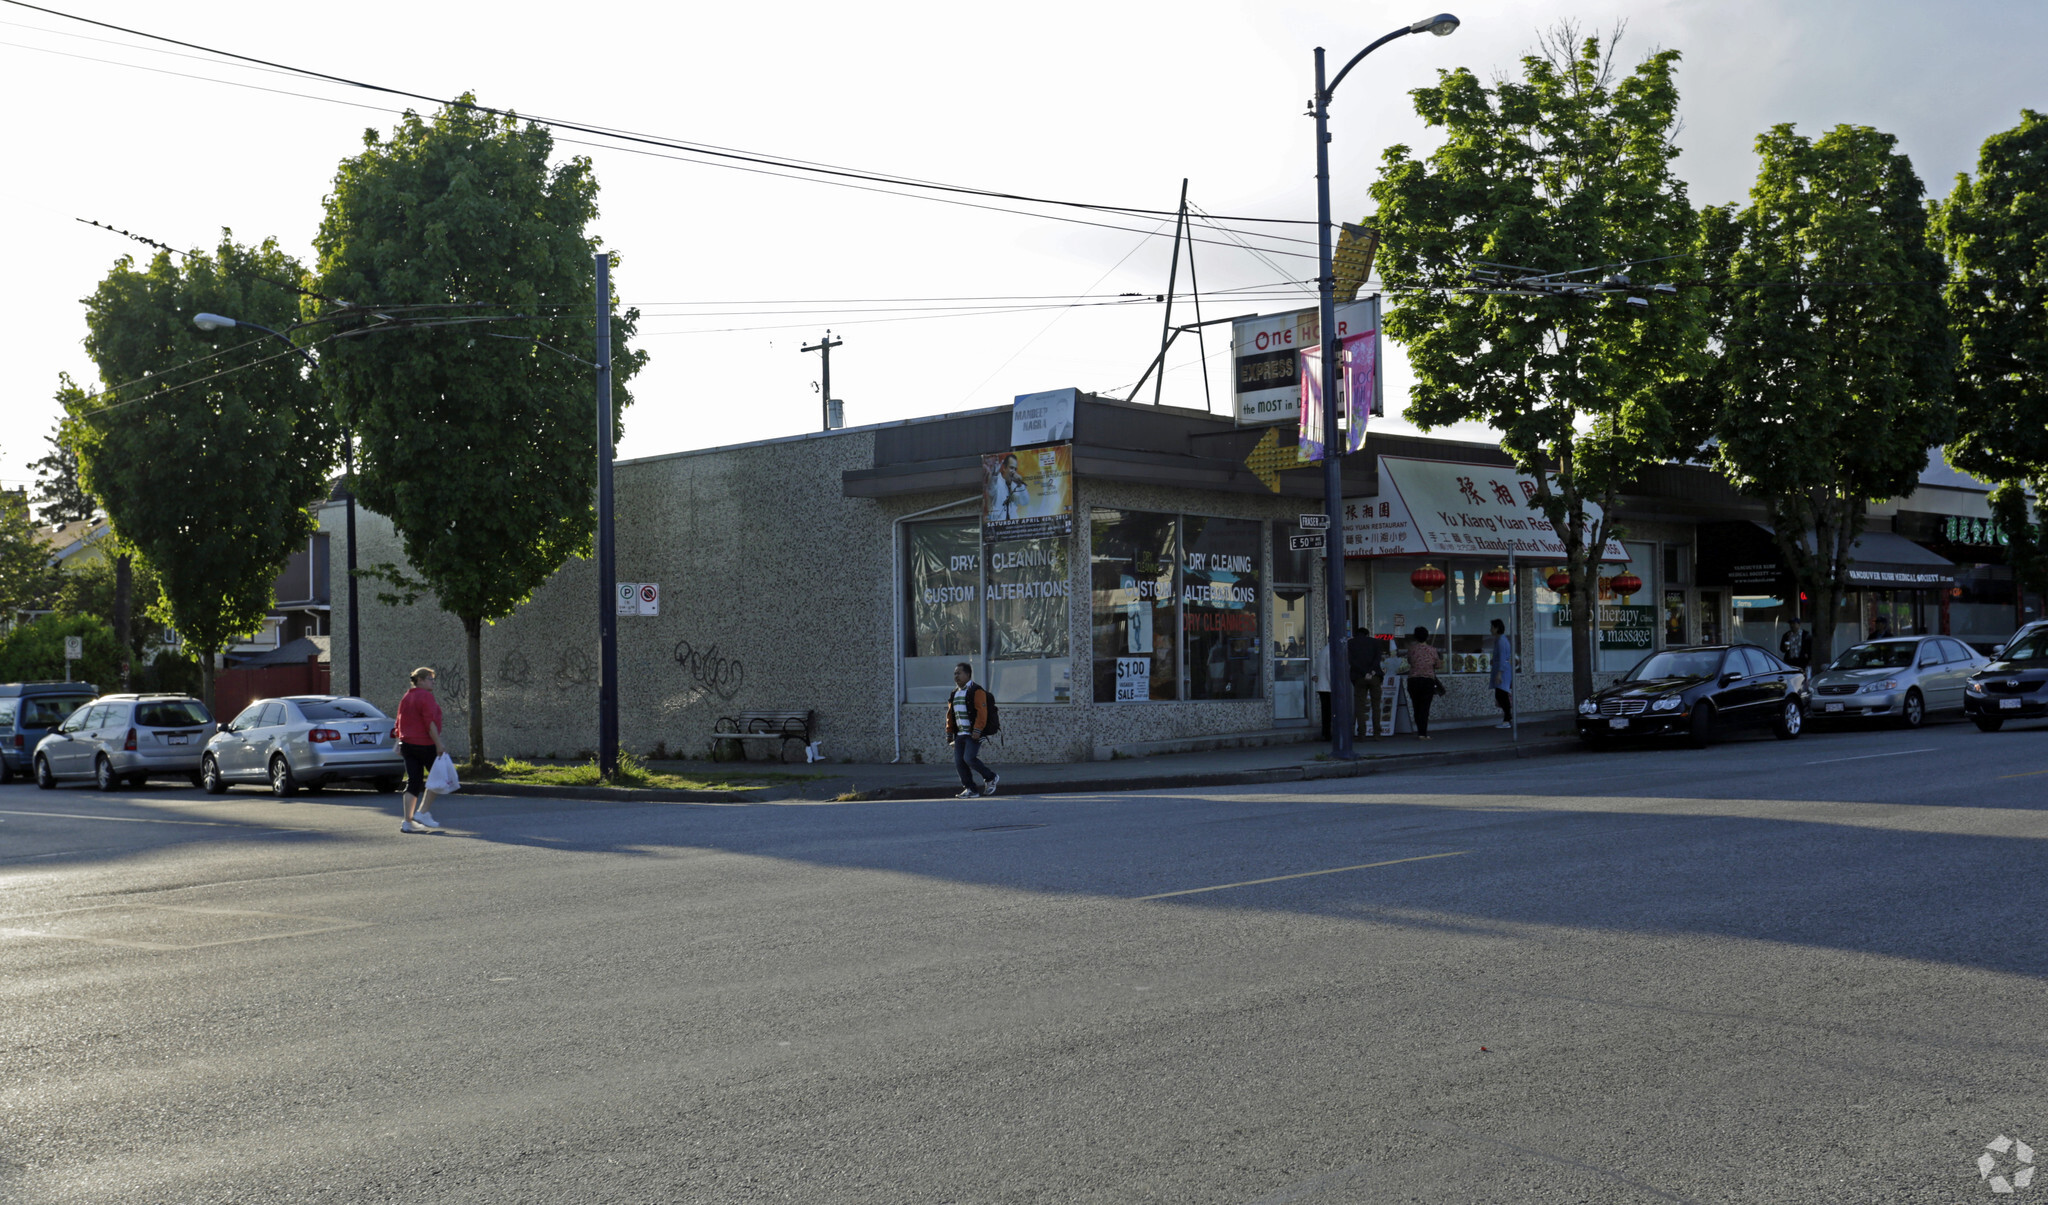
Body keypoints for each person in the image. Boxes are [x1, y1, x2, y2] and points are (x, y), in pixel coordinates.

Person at [393, 666, 445, 834]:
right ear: (420, 680)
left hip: (408, 744)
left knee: (414, 781)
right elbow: (429, 723)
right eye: (430, 679)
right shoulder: (426, 696)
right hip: (425, 744)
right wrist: (438, 744)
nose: (433, 682)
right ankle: (423, 813)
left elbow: (399, 721)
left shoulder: (407, 696)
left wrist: (398, 741)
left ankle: (408, 822)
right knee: (440, 777)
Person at [945, 662, 999, 798]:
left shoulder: (976, 691)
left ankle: (990, 777)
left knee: (969, 758)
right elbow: (951, 714)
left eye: (959, 673)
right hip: (959, 734)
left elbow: (982, 712)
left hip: (973, 733)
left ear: (968, 675)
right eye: (955, 673)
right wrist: (949, 732)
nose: (956, 676)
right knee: (959, 762)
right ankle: (970, 789)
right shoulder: (954, 693)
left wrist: (978, 730)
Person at [1349, 627, 1386, 738]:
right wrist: (1371, 671)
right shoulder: (1375, 642)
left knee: (1360, 706)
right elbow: (1377, 658)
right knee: (1376, 705)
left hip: (1359, 677)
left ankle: (1361, 733)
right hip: (1374, 676)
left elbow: (1351, 661)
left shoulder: (1350, 643)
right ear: (1367, 634)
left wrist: (1364, 672)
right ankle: (1377, 733)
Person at [1406, 627, 1441, 739]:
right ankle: (1423, 733)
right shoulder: (1432, 650)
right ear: (1427, 636)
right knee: (1425, 707)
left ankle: (1419, 730)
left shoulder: (1412, 649)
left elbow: (1410, 662)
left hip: (1413, 680)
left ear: (1415, 637)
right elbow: (1438, 665)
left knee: (1416, 706)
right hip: (1427, 681)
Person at [1488, 618, 1514, 729]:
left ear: (1497, 628)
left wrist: (1499, 673)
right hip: (1501, 668)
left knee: (1501, 694)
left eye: (1492, 627)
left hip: (1502, 670)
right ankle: (1507, 718)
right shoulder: (1500, 640)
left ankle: (1507, 719)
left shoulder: (1501, 641)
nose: (1490, 629)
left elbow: (1503, 658)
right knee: (1501, 694)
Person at [991, 454, 1031, 521]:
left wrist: (1020, 485)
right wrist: (994, 475)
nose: (1013, 471)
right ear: (1004, 468)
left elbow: (1025, 502)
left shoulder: (1016, 484)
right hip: (998, 525)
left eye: (1015, 469)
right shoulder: (996, 481)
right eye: (1011, 468)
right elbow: (991, 490)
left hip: (1013, 526)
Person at [1312, 638, 1334, 741]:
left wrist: (1314, 676)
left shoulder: (1323, 651)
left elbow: (1315, 668)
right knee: (1330, 711)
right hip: (1328, 687)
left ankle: (1325, 732)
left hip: (1322, 686)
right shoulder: (1331, 652)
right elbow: (1330, 670)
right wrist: (1335, 685)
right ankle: (1328, 734)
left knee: (1326, 711)